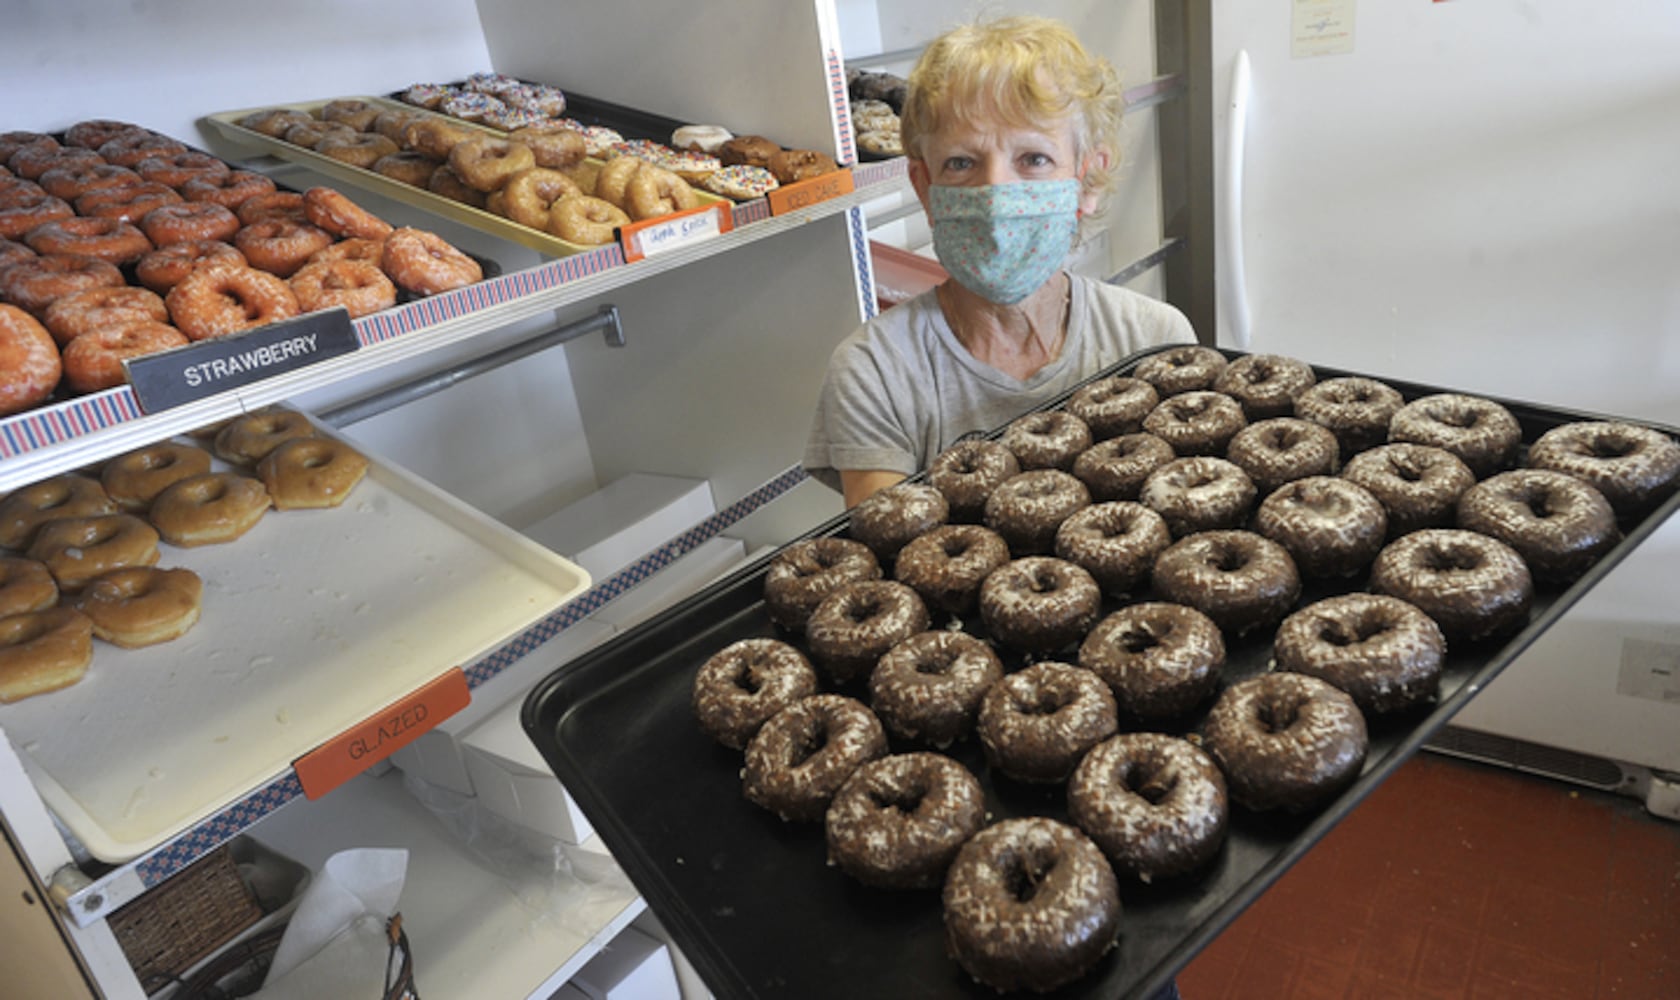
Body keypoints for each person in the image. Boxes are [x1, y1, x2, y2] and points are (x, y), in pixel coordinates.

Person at [804, 14, 1197, 508]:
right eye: (962, 163)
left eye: (1033, 159)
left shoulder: (1153, 340)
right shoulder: (875, 371)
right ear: (925, 188)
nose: (995, 194)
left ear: (1087, 180)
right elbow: (889, 555)